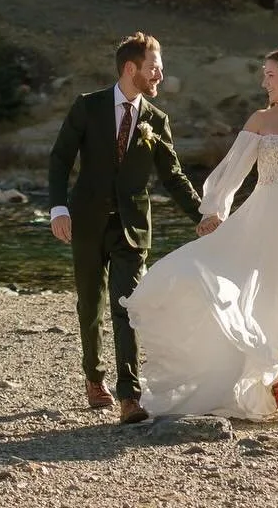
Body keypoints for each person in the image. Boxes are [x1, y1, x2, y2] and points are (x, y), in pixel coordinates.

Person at [122, 46, 278, 423]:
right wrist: (214, 211)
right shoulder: (262, 120)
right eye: (264, 75)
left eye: (271, 75)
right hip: (263, 222)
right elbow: (234, 169)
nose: (265, 82)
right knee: (258, 299)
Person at [47, 31, 204, 423]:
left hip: (133, 229)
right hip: (84, 222)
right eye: (155, 67)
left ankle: (129, 397)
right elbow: (59, 159)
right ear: (131, 68)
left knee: (128, 307)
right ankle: (93, 376)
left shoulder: (157, 120)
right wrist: (57, 209)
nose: (160, 75)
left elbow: (173, 176)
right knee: (90, 305)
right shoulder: (88, 107)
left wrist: (204, 217)